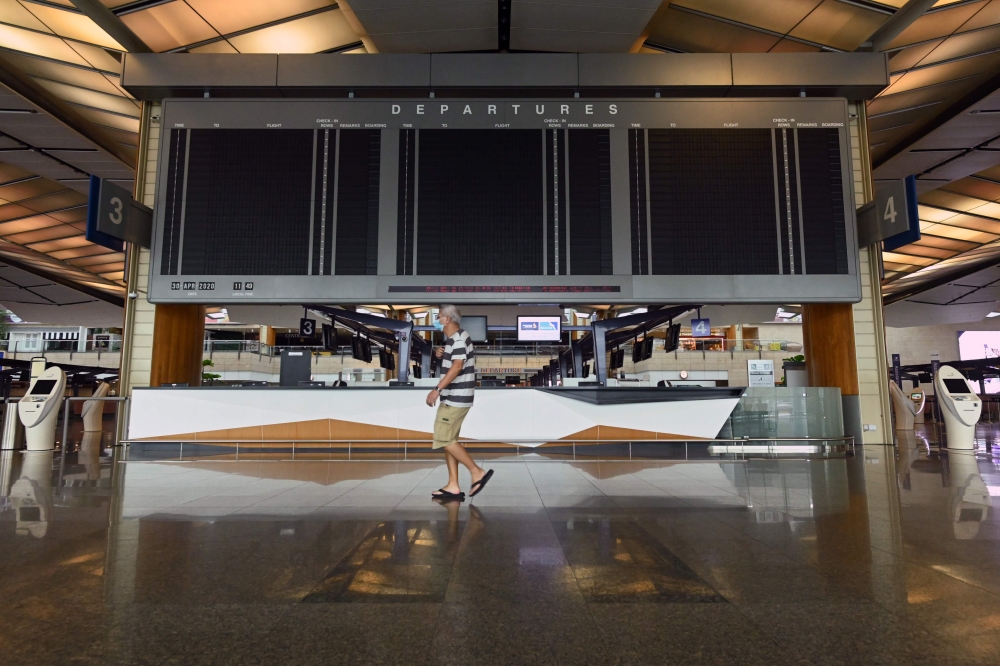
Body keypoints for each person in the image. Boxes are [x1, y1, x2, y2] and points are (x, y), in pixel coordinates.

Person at [426, 304, 493, 500]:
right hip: (454, 397)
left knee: (443, 438)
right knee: (449, 440)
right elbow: (454, 360)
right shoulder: (455, 340)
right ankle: (453, 485)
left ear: (447, 319)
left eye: (439, 317)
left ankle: (476, 472)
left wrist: (437, 390)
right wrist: (441, 353)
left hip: (455, 397)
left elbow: (457, 366)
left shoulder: (458, 339)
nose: (437, 320)